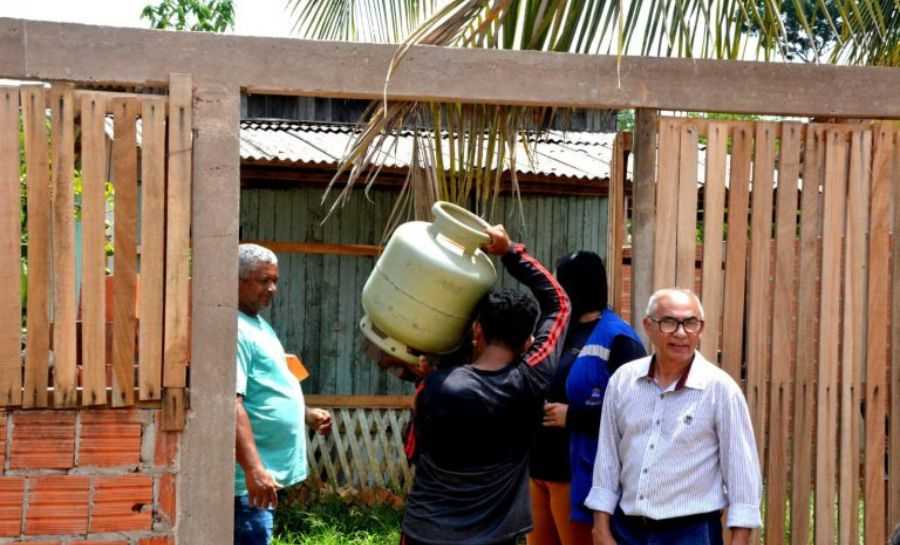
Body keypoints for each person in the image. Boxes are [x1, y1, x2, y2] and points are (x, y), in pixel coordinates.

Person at [402, 225, 571, 545]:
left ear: (477, 331)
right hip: (494, 537)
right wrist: (510, 251)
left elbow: (412, 449)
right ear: (527, 342)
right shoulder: (529, 380)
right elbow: (560, 303)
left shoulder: (436, 385)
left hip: (425, 532)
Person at [586, 288, 761, 545]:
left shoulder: (720, 390)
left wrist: (740, 538)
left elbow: (742, 474)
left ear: (700, 329)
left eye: (690, 323)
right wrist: (600, 527)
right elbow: (608, 458)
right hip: (627, 529)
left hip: (691, 532)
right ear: (648, 326)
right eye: (669, 322)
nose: (681, 333)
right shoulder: (623, 381)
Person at [529, 251, 646, 545]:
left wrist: (574, 417)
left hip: (578, 474)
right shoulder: (556, 330)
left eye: (561, 285)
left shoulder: (619, 339)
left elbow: (637, 415)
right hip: (540, 466)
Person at [234, 243, 333, 545]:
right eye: (264, 280)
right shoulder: (232, 329)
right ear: (236, 280)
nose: (273, 288)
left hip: (260, 478)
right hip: (244, 485)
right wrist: (254, 470)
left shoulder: (258, 324)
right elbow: (229, 402)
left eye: (275, 280)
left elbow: (263, 386)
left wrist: (304, 414)